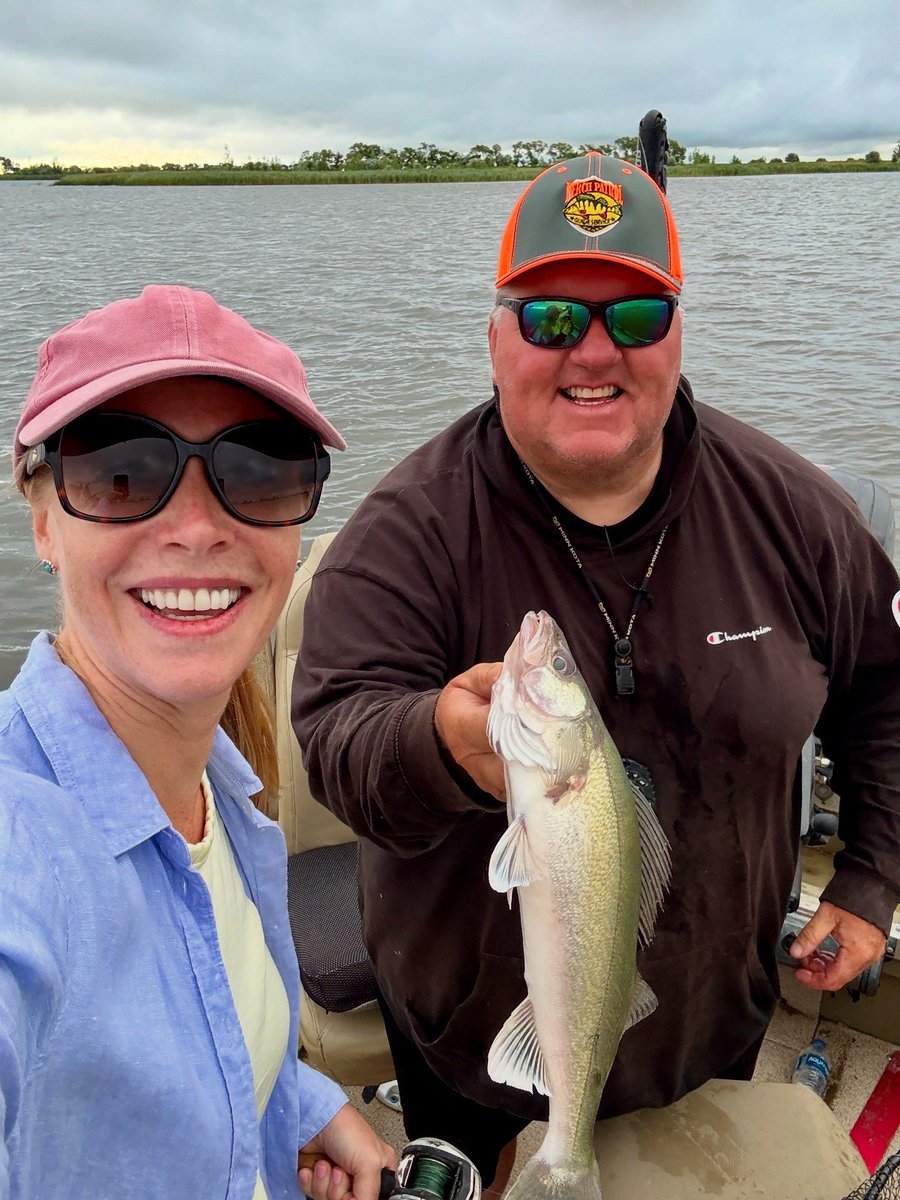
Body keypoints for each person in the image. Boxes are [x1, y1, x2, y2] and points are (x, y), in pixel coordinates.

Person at [292, 153, 900, 1191]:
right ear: (494, 339)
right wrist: (437, 741)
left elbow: (885, 689)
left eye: (635, 318)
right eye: (552, 320)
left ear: (677, 335)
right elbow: (337, 741)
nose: (594, 353)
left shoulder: (795, 517)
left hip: (715, 1016)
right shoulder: (407, 534)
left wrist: (872, 876)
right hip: (467, 1040)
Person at [0, 286, 396, 1200]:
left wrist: (298, 1107)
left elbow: (203, 1011)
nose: (195, 526)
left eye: (259, 471)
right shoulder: (25, 849)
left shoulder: (224, 795)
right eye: (121, 473)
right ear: (42, 516)